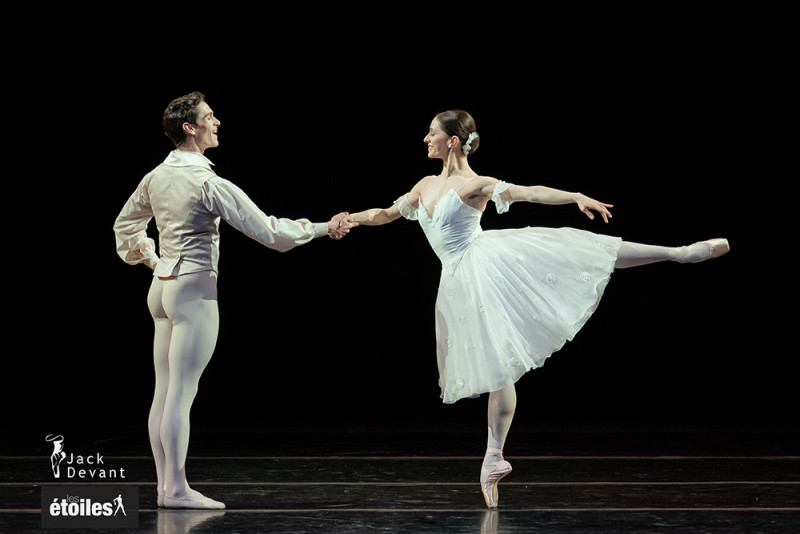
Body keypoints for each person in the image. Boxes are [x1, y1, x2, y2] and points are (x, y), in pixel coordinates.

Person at [348, 109, 729, 508]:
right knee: (499, 366)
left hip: (486, 266)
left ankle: (678, 253)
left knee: (578, 252)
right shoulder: (424, 184)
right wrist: (348, 219)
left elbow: (529, 192)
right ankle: (493, 458)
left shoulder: (476, 184)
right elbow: (387, 214)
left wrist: (575, 196)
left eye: (432, 134)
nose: (426, 139)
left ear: (453, 142)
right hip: (457, 281)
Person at [113, 91, 353, 510]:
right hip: (193, 291)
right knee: (180, 394)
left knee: (164, 392)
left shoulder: (156, 175)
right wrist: (321, 229)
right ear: (190, 128)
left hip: (163, 290)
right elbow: (272, 234)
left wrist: (152, 259)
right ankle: (174, 489)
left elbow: (126, 224)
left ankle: (165, 487)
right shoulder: (207, 182)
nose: (217, 122)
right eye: (209, 117)